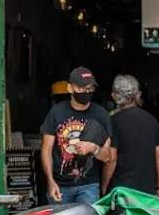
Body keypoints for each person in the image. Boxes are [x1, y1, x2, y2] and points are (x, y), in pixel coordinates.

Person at [40, 66, 112, 205]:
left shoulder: (101, 115)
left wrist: (93, 148)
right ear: (70, 88)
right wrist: (50, 181)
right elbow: (46, 149)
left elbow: (107, 156)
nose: (86, 91)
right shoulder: (56, 113)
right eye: (81, 87)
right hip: (59, 185)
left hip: (88, 186)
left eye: (90, 88)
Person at [102, 75, 159, 197]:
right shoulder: (151, 120)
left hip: (122, 191)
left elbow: (111, 159)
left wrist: (104, 187)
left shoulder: (113, 121)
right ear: (138, 95)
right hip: (147, 192)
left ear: (115, 96)